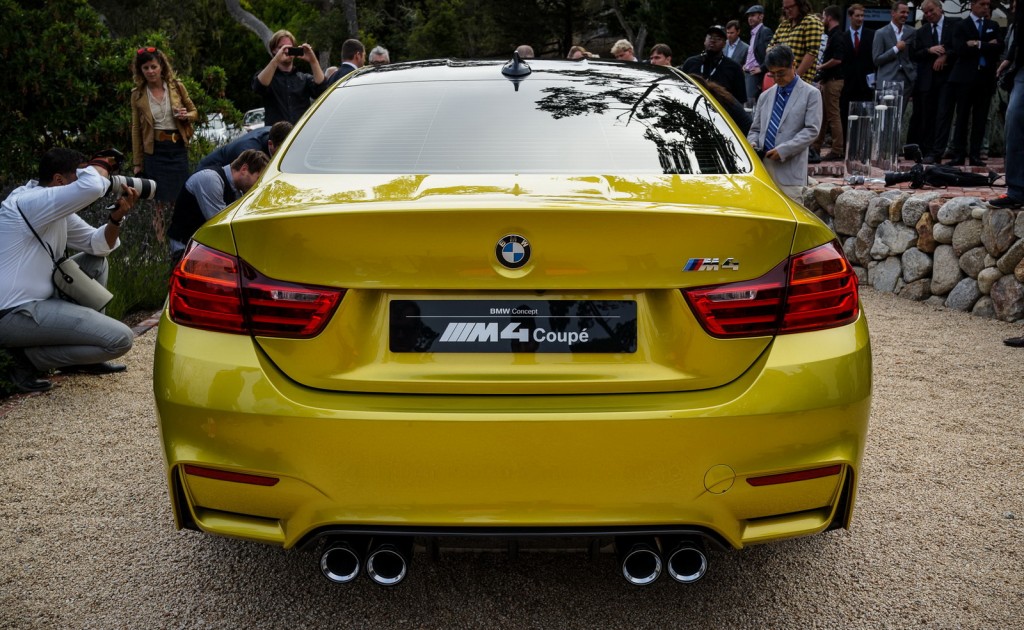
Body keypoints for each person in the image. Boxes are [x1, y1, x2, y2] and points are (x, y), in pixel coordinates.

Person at [0, 149, 139, 392]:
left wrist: (116, 219)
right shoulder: (29, 202)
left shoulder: (51, 208)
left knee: (96, 262)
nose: (81, 184)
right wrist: (99, 164)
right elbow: (93, 187)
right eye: (79, 176)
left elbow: (99, 246)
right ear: (59, 181)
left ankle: (84, 359)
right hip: (14, 313)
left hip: (42, 300)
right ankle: (25, 360)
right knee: (120, 340)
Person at [748, 45, 823, 203]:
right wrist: (752, 144)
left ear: (793, 65)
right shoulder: (765, 95)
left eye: (781, 73)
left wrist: (783, 150)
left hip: (790, 172)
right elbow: (755, 129)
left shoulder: (811, 94)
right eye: (772, 74)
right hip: (763, 170)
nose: (776, 78)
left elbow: (811, 130)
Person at [167, 149, 270, 264]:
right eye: (257, 179)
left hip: (202, 250)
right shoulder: (210, 179)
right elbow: (222, 226)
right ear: (244, 169)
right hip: (185, 250)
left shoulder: (236, 190)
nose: (257, 186)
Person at [130, 46, 197, 205]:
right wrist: (137, 163)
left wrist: (185, 116)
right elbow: (136, 129)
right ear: (140, 71)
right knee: (158, 201)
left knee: (182, 197)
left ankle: (179, 229)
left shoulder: (176, 86)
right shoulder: (137, 94)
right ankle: (160, 231)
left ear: (161, 66)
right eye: (146, 68)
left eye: (154, 66)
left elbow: (194, 112)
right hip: (155, 152)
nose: (150, 71)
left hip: (177, 149)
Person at [947, 0, 1002, 167]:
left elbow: (999, 47)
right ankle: (958, 154)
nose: (986, 7)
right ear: (972, 5)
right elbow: (960, 49)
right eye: (982, 4)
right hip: (965, 78)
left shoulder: (993, 25)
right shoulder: (961, 25)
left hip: (985, 79)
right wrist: (986, 45)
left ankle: (975, 154)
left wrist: (977, 44)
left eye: (988, 5)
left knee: (980, 118)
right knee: (962, 117)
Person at [910, 0, 957, 164]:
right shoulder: (922, 31)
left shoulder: (954, 25)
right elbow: (914, 53)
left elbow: (958, 47)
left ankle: (937, 151)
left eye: (931, 11)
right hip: (927, 81)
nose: (929, 15)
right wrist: (929, 50)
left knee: (943, 115)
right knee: (927, 116)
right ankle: (927, 150)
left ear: (939, 8)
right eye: (925, 12)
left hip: (947, 79)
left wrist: (945, 56)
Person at [252, 29, 326, 126]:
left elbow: (321, 90)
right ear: (274, 50)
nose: (286, 51)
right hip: (277, 136)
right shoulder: (268, 77)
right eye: (281, 47)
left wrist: (313, 61)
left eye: (290, 48)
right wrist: (276, 59)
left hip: (300, 133)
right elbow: (258, 87)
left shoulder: (303, 78)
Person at [812, 5, 847, 161]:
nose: (823, 19)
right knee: (824, 116)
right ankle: (816, 147)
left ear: (830, 17)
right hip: (828, 80)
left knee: (832, 115)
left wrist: (820, 66)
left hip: (834, 81)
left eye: (824, 16)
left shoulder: (837, 36)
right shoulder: (833, 34)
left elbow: (838, 59)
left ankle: (837, 149)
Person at [681, 25, 747, 106]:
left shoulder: (734, 68)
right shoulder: (690, 63)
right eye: (710, 37)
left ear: (724, 44)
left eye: (718, 38)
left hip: (721, 114)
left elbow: (740, 101)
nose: (713, 40)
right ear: (705, 40)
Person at [871, 1, 917, 114]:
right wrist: (895, 49)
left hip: (906, 83)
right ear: (893, 13)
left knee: (899, 118)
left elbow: (914, 56)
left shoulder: (912, 32)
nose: (906, 15)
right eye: (902, 12)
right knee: (885, 118)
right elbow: (876, 59)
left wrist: (913, 73)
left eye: (907, 12)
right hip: (887, 82)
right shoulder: (881, 33)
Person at [197, 121, 293, 171]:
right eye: (282, 150)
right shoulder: (249, 152)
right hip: (210, 171)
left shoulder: (274, 132)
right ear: (270, 144)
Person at [839, 4, 876, 132]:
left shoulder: (871, 35)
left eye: (862, 16)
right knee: (846, 118)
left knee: (865, 119)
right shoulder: (843, 37)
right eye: (857, 16)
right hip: (848, 85)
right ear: (850, 17)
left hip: (865, 86)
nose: (860, 19)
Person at [770, 0, 825, 84]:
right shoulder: (784, 25)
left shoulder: (811, 22)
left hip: (801, 82)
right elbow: (769, 49)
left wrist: (794, 78)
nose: (788, 11)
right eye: (785, 8)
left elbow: (811, 54)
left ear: (800, 5)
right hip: (780, 80)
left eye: (791, 7)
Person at [742, 5, 773, 104]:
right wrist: (746, 65)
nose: (750, 18)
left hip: (756, 75)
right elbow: (753, 53)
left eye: (753, 15)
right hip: (748, 73)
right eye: (749, 16)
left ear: (761, 16)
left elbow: (770, 53)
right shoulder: (754, 33)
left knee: (750, 105)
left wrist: (762, 68)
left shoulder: (765, 31)